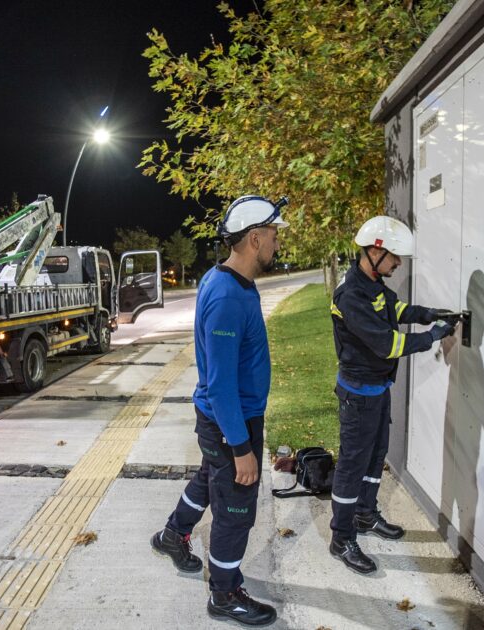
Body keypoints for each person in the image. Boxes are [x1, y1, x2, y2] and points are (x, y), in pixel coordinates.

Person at [151, 195, 288, 626]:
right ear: (253, 239)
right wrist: (241, 446)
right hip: (232, 421)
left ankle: (173, 535)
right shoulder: (228, 295)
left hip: (225, 419)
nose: (277, 243)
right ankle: (224, 594)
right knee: (234, 509)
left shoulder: (228, 281)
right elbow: (222, 384)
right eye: (273, 235)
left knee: (212, 481)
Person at [327, 215, 457, 575]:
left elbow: (396, 311)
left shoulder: (373, 286)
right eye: (395, 257)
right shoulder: (351, 295)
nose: (399, 264)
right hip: (358, 396)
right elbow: (388, 344)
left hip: (377, 391)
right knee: (353, 466)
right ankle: (341, 538)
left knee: (374, 458)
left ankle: (366, 515)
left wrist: (430, 314)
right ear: (374, 251)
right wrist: (433, 336)